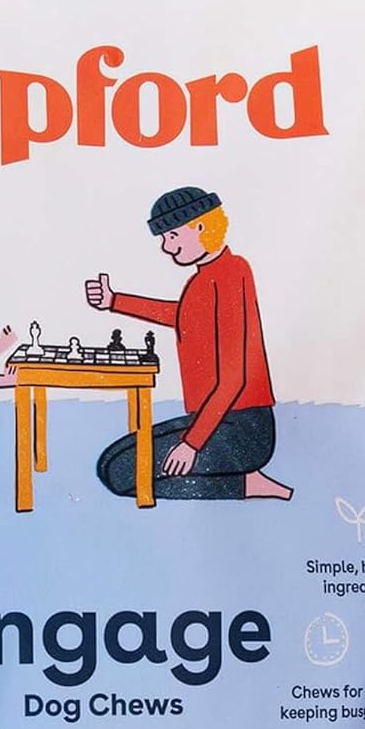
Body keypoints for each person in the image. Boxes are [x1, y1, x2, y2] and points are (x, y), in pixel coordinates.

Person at [86, 186, 293, 502]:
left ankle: (247, 484)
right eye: (163, 238)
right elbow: (182, 315)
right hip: (214, 421)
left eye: (172, 236)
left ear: (201, 226)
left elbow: (235, 377)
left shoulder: (232, 272)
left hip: (243, 429)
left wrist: (191, 444)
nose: (167, 247)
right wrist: (115, 301)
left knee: (119, 472)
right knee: (109, 463)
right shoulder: (205, 278)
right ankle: (243, 479)